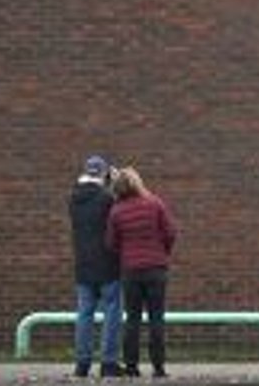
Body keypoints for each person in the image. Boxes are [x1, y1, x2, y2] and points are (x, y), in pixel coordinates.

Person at [106, 167, 177, 379]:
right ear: (138, 182)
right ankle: (158, 367)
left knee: (132, 319)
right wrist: (163, 252)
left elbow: (111, 243)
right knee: (156, 318)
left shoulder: (116, 211)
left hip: (131, 271)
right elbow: (171, 232)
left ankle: (131, 367)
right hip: (156, 269)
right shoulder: (155, 203)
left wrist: (126, 254)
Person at [69, 155, 122, 378]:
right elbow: (116, 219)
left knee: (84, 314)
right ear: (103, 174)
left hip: (83, 264)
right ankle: (108, 362)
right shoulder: (107, 198)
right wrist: (116, 183)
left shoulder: (73, 198)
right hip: (108, 264)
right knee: (111, 313)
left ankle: (82, 363)